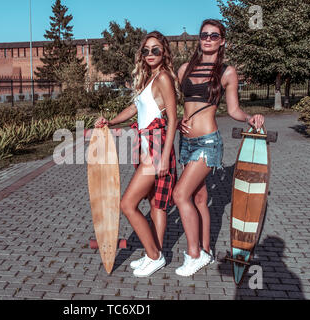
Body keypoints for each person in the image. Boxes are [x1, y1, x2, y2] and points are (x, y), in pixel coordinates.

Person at [173, 19, 265, 277]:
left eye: (214, 36)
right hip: (186, 141)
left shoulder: (227, 72)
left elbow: (233, 109)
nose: (208, 39)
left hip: (208, 142)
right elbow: (175, 103)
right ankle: (205, 250)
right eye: (204, 35)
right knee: (200, 198)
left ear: (222, 40)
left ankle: (194, 255)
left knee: (180, 195)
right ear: (199, 38)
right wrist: (178, 120)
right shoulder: (184, 69)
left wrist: (250, 118)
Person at [94, 31, 179, 277]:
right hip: (146, 145)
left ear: (164, 52)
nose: (150, 54)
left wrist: (163, 157)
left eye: (156, 50)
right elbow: (134, 108)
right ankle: (153, 253)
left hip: (157, 146)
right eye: (146, 50)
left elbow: (172, 119)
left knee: (127, 204)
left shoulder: (163, 78)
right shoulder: (148, 79)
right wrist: (110, 121)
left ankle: (155, 256)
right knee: (155, 204)